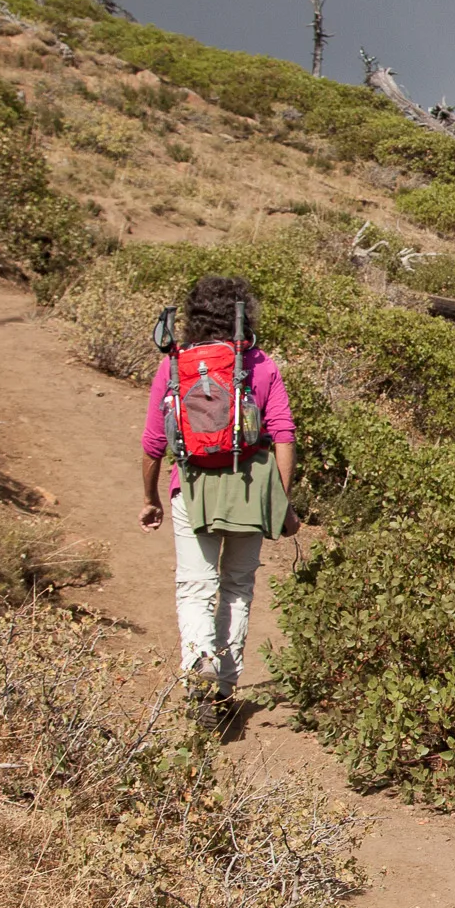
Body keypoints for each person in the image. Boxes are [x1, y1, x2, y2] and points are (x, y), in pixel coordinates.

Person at [139, 274, 301, 720]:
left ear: (193, 316)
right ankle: (225, 687)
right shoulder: (259, 364)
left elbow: (153, 444)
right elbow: (284, 435)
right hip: (250, 487)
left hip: (191, 485)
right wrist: (281, 502)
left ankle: (200, 666)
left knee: (195, 586)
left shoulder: (175, 364)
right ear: (243, 314)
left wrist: (151, 498)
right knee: (237, 587)